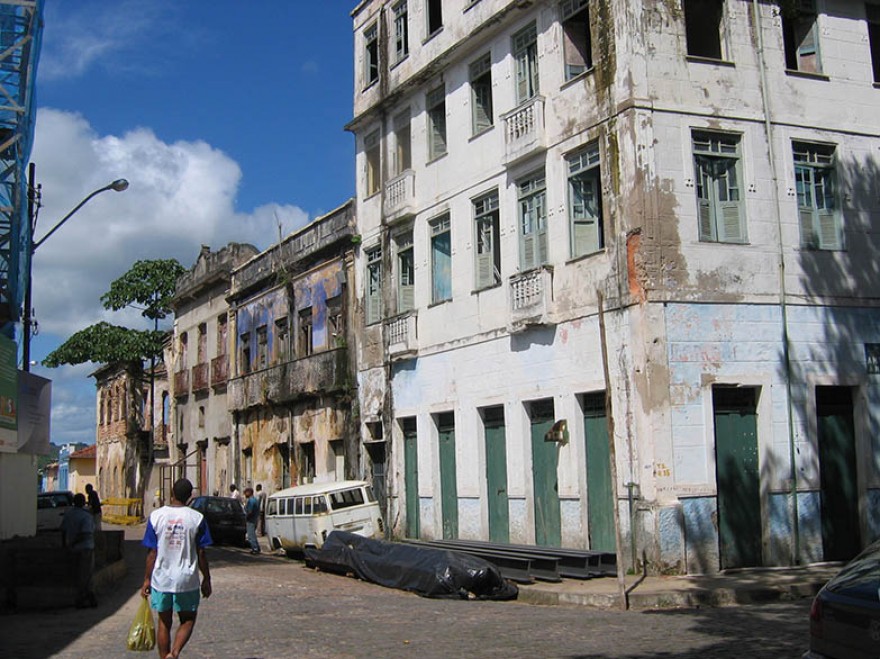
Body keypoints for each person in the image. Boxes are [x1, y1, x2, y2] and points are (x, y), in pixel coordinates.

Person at [142, 478, 213, 659]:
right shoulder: (197, 519)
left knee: (164, 622)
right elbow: (201, 552)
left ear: (171, 493)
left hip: (162, 578)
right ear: (190, 497)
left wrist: (146, 579)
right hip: (187, 579)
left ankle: (164, 656)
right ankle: (174, 653)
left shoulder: (156, 517)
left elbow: (152, 552)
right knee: (188, 619)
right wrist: (207, 578)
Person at [60, 493, 97, 608]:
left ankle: (82, 596)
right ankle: (85, 596)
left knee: (76, 573)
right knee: (86, 574)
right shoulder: (86, 516)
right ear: (83, 502)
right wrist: (74, 542)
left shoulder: (69, 515)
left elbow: (63, 530)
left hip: (73, 549)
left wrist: (66, 545)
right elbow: (85, 533)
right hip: (85, 548)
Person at [243, 487, 261, 554]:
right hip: (255, 519)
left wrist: (246, 517)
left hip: (251, 520)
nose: (245, 494)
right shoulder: (255, 500)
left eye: (245, 493)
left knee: (250, 535)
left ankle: (255, 548)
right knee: (253, 534)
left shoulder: (251, 501)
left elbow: (249, 511)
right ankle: (257, 547)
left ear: (249, 493)